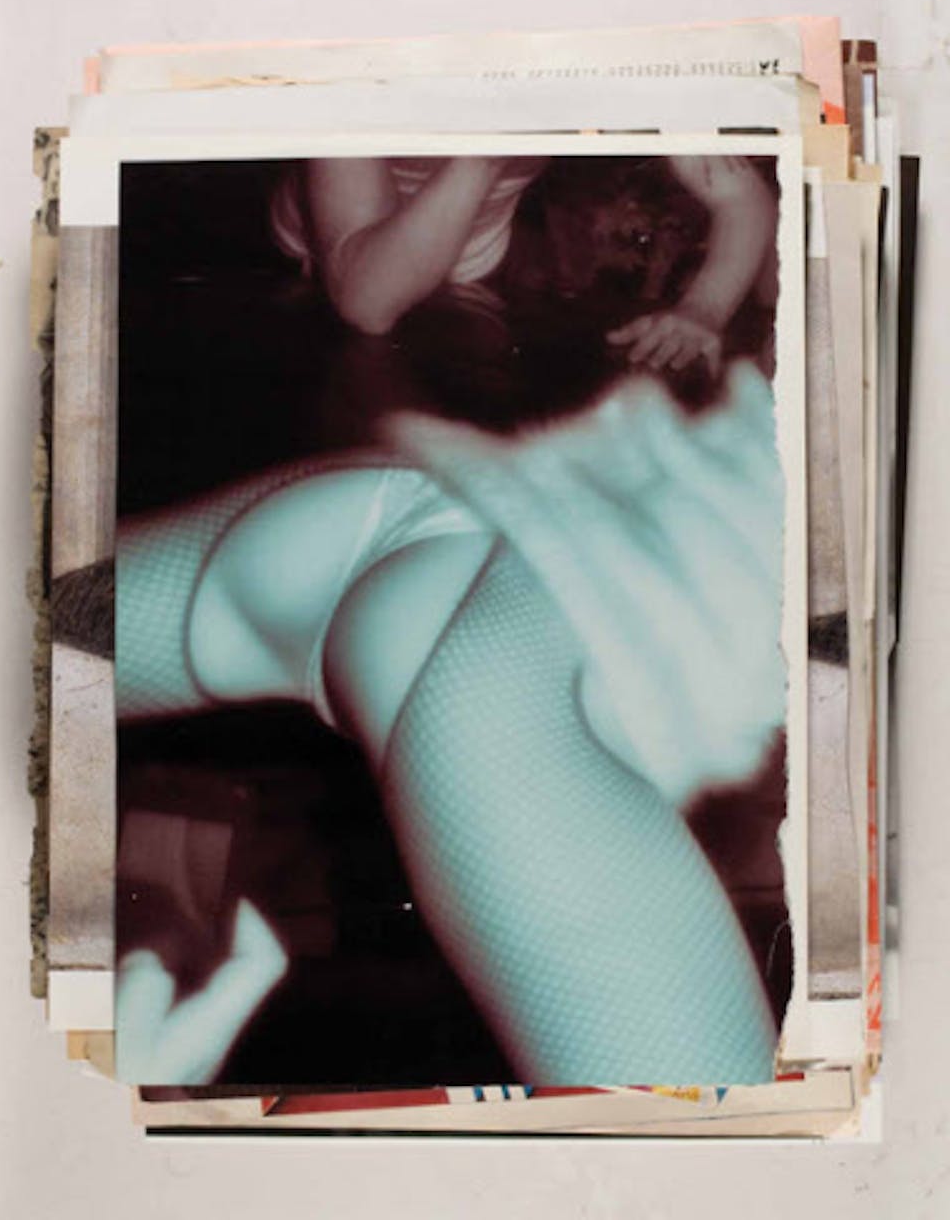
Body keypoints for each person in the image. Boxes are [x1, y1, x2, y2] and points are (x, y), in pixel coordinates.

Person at [115, 152, 784, 1087]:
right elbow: (368, 298)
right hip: (510, 607)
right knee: (692, 1147)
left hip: (384, 524)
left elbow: (747, 208)